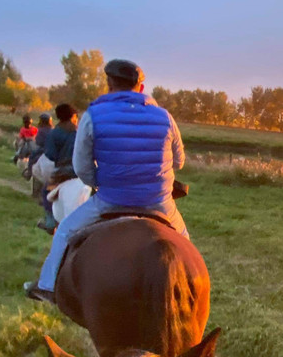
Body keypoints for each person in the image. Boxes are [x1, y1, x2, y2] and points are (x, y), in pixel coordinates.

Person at [24, 59, 187, 303]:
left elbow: (82, 167)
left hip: (111, 200)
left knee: (65, 231)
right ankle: (188, 292)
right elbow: (179, 162)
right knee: (185, 244)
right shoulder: (165, 117)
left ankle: (47, 286)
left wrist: (99, 184)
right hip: (159, 202)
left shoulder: (93, 116)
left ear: (109, 84)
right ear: (141, 88)